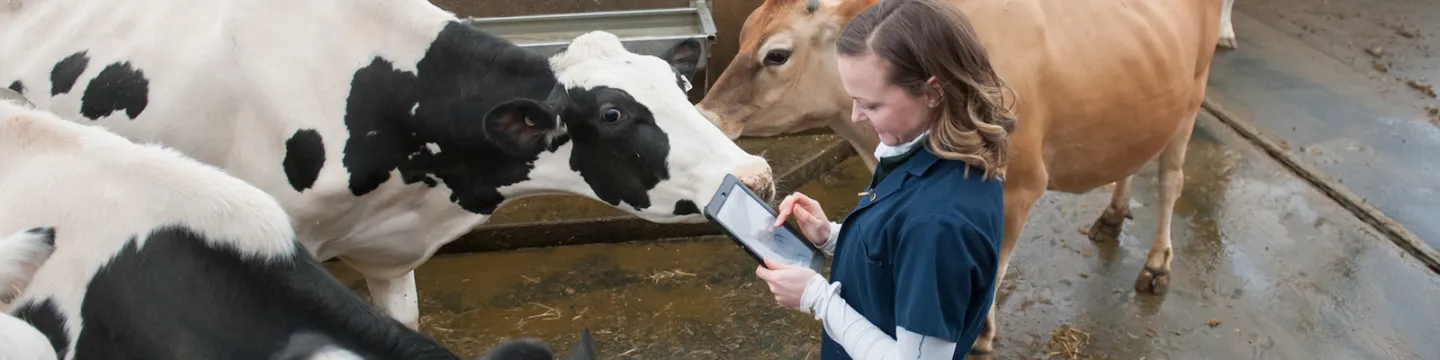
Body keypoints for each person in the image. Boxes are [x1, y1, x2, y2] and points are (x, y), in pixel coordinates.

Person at [753, 0, 1016, 358]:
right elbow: (901, 257)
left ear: (932, 91)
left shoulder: (939, 222)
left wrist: (817, 298)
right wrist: (833, 236)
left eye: (872, 105)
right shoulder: (933, 149)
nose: (857, 115)